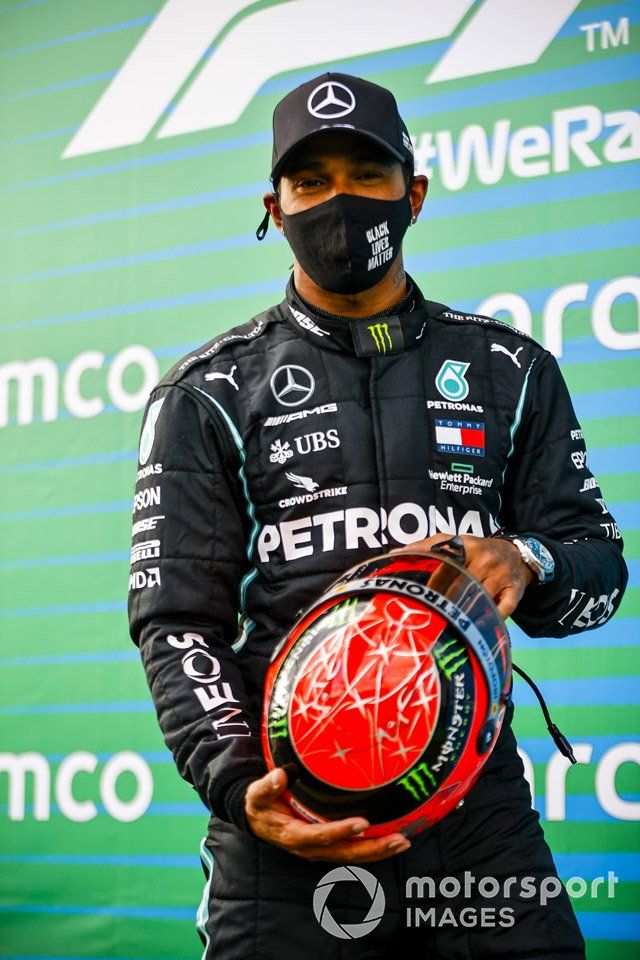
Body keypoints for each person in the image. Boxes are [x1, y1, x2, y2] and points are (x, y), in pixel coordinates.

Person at [128, 72, 627, 959]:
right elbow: (176, 620)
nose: (340, 200)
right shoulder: (205, 393)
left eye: (367, 172)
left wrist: (524, 561)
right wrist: (244, 785)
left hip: (477, 823)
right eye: (310, 181)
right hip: (285, 826)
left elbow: (597, 564)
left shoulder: (509, 368)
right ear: (274, 209)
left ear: (415, 193)